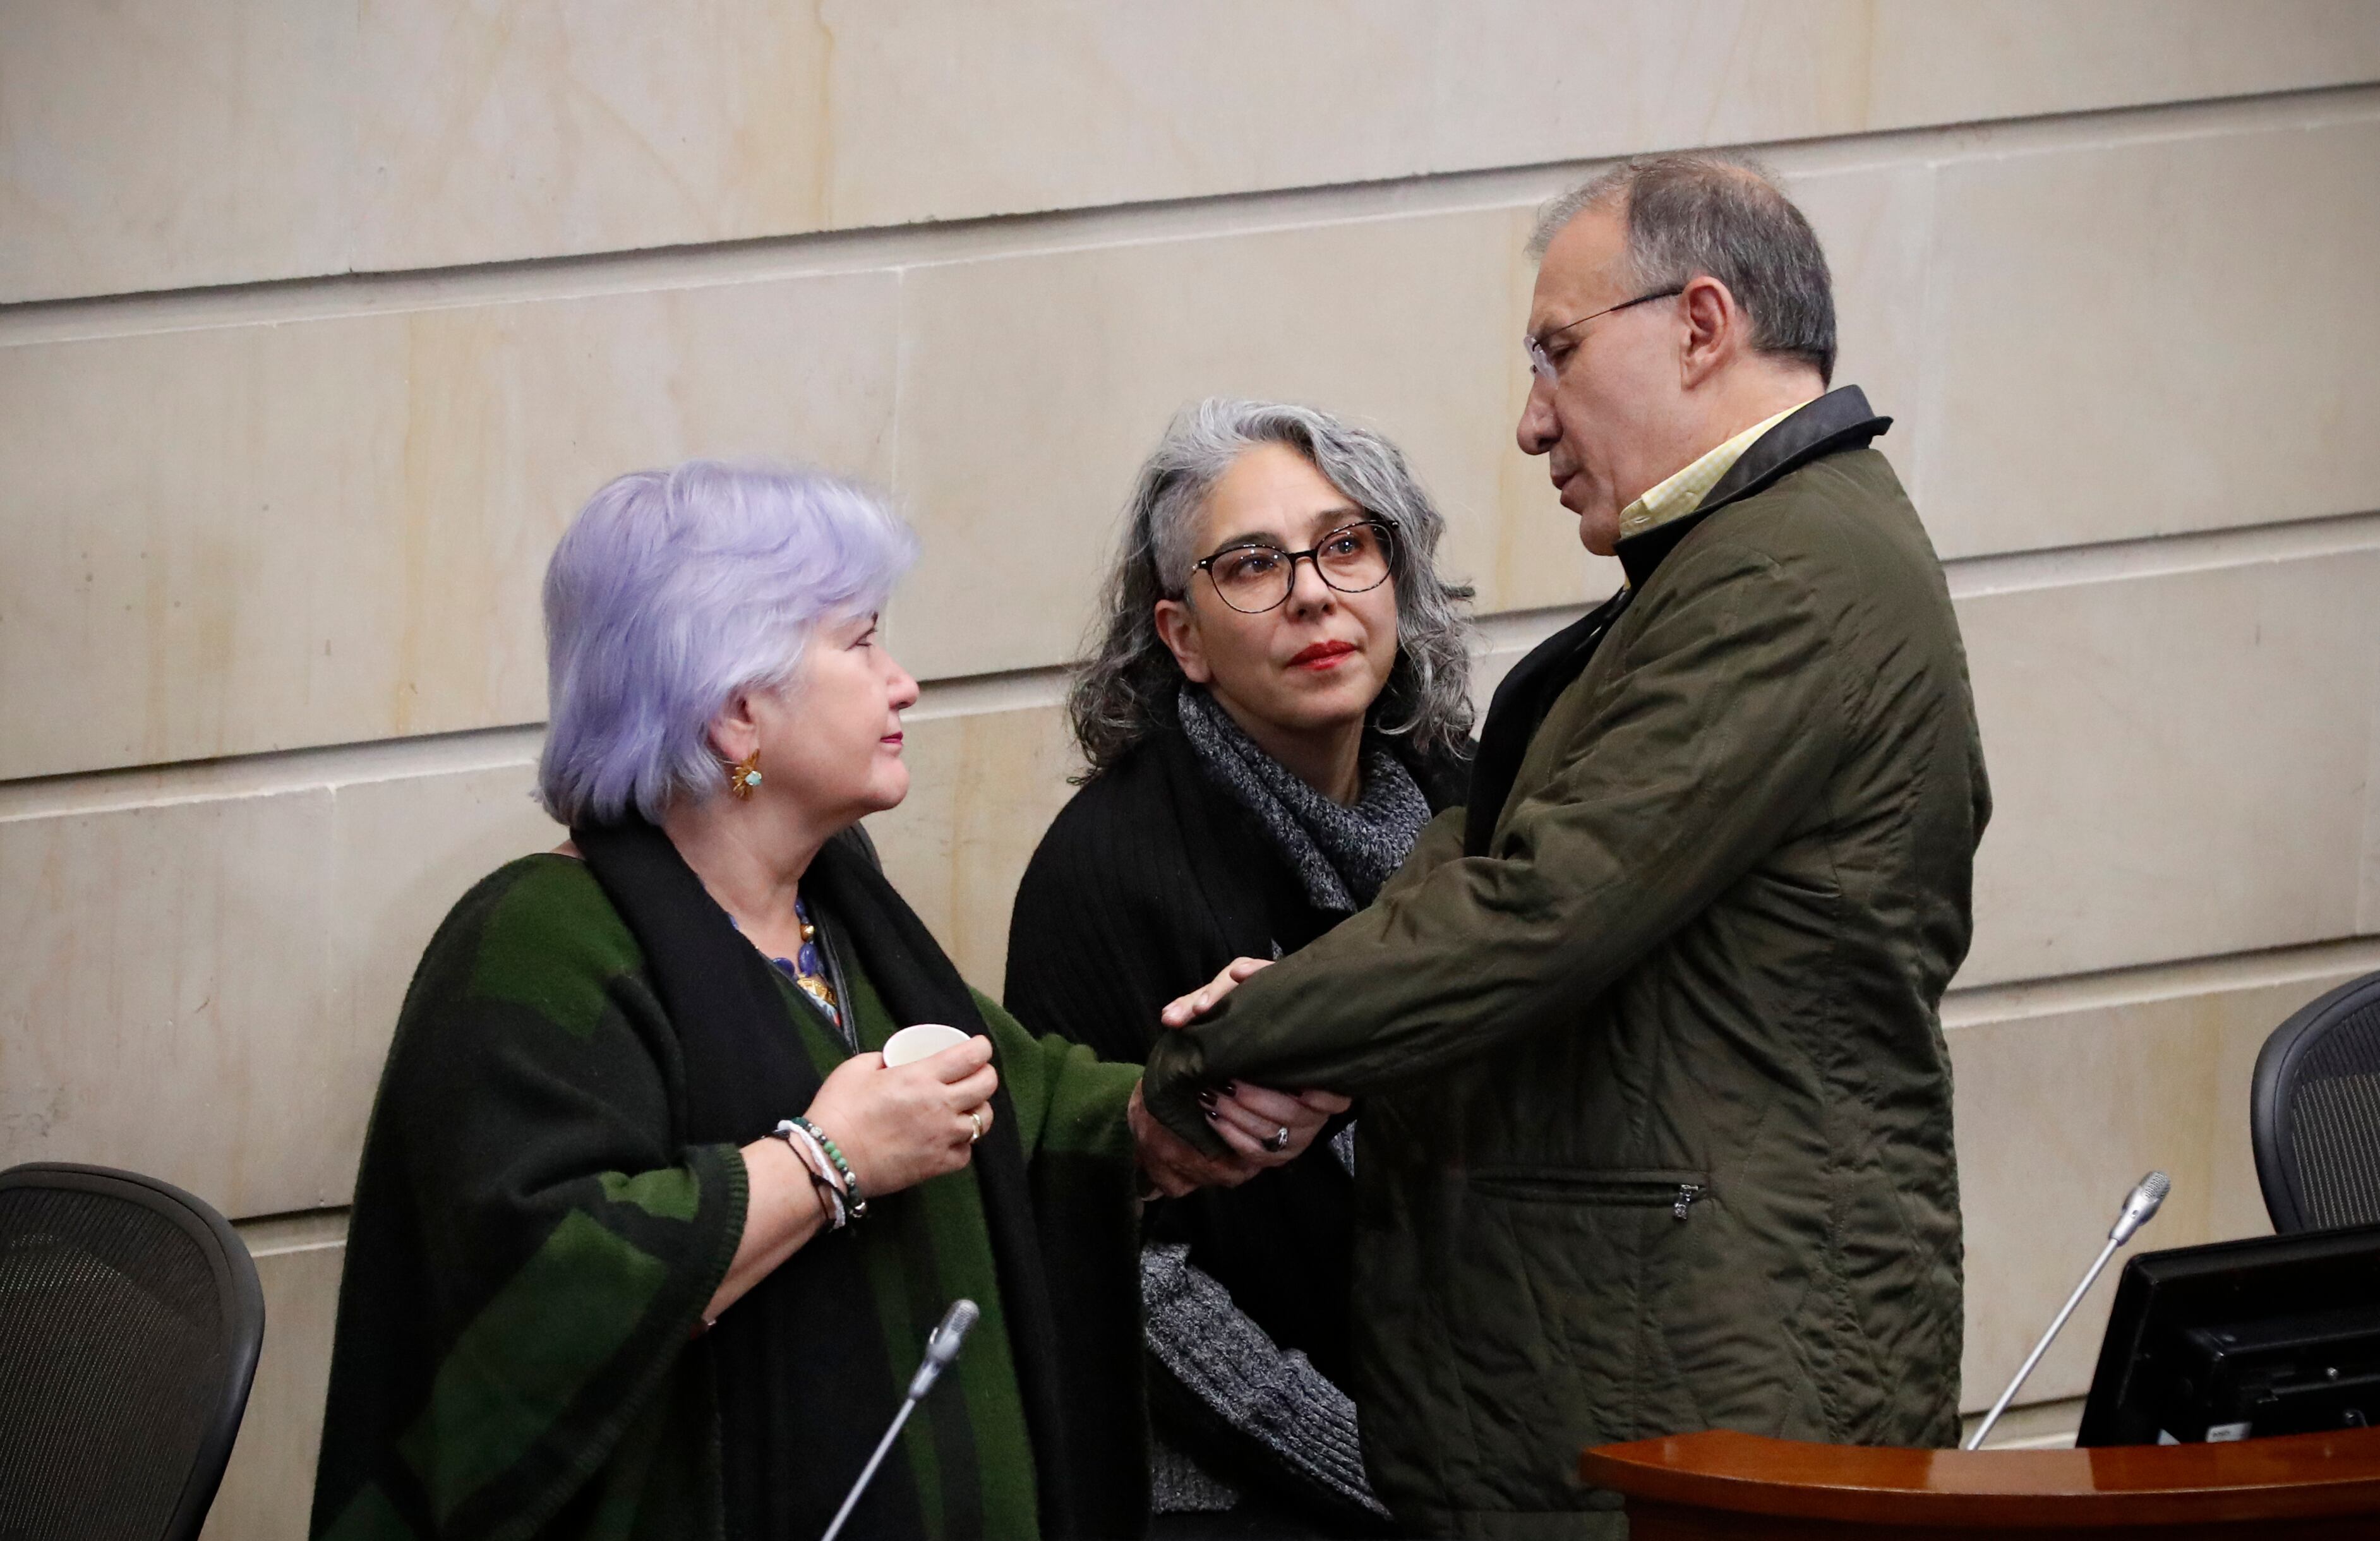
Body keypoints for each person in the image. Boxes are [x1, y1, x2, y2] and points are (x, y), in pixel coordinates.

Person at [1141, 153, 1993, 1537]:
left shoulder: (1782, 577)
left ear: (1701, 324)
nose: (1533, 424)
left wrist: (1221, 1050)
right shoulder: (1750, 560)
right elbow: (1510, 859)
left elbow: (1540, 908)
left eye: (1559, 353)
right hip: (1675, 1362)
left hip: (1711, 1384)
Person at [308, 460, 1342, 1541]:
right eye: (860, 644)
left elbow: (1032, 1113)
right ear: (737, 713)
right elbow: (532, 1298)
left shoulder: (842, 914)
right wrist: (822, 1162)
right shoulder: (538, 942)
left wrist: (1211, 1076)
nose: (903, 683)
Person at [1007, 400, 1477, 1536]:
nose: (1314, 593)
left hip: (1482, 1457)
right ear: (1180, 637)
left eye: (1346, 546)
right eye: (1254, 565)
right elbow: (1118, 1261)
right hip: (1235, 1488)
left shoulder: (1475, 804)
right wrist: (1380, 1475)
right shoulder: (1103, 871)